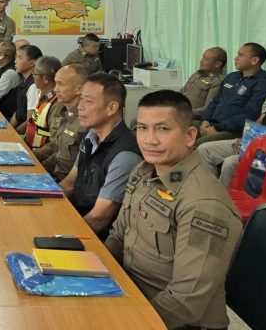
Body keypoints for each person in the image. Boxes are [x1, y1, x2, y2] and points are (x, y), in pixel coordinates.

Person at [104, 91, 243, 330]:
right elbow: (118, 236)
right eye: (142, 128)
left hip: (175, 322)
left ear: (190, 135)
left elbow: (187, 300)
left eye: (163, 129)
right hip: (132, 296)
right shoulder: (144, 171)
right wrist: (94, 274)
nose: (149, 140)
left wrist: (129, 322)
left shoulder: (205, 205)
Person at [59, 73, 142, 237]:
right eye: (81, 99)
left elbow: (99, 218)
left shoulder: (125, 155)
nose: (80, 106)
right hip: (75, 218)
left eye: (88, 101)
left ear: (112, 108)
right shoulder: (91, 136)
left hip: (96, 239)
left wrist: (60, 237)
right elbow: (69, 184)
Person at [198, 54, 266, 186]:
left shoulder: (264, 84)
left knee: (230, 163)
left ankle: (224, 203)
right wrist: (247, 138)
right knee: (204, 149)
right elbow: (261, 119)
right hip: (259, 143)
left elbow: (249, 113)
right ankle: (209, 194)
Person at [197, 42, 266, 146]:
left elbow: (250, 115)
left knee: (198, 144)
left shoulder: (264, 84)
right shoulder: (231, 77)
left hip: (235, 131)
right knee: (182, 129)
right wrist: (205, 120)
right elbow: (215, 101)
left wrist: (217, 128)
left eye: (241, 55)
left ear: (254, 60)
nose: (235, 58)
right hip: (212, 124)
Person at [36, 64, 88, 181]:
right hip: (54, 178)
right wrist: (36, 167)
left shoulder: (85, 122)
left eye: (61, 84)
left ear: (79, 89)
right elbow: (58, 152)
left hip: (67, 187)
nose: (55, 89)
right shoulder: (64, 113)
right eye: (55, 83)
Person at [26, 55, 61, 149]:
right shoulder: (41, 94)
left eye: (35, 73)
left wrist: (33, 155)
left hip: (40, 154)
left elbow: (53, 144)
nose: (32, 76)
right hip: (30, 144)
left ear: (45, 79)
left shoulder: (57, 104)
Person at [181, 47, 227, 118]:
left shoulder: (218, 81)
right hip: (180, 110)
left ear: (217, 64)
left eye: (205, 59)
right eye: (202, 57)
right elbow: (183, 91)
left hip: (193, 117)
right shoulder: (198, 74)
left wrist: (184, 113)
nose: (201, 61)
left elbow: (207, 109)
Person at [9, 44, 42, 135]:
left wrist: (13, 134)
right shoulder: (23, 80)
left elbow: (30, 120)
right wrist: (8, 128)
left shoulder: (34, 86)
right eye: (15, 58)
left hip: (26, 135)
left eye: (19, 58)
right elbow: (19, 112)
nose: (15, 61)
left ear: (32, 63)